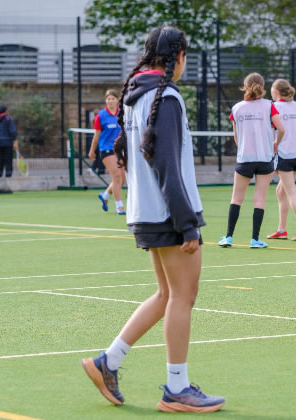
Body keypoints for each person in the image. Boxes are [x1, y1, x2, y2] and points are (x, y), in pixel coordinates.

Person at [81, 26, 225, 413]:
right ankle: (176, 388)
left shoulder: (135, 94)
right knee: (182, 297)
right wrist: (187, 222)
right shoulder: (167, 96)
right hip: (168, 213)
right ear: (178, 58)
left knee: (166, 295)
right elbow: (166, 164)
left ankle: (107, 361)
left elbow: (132, 154)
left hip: (145, 210)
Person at [218, 72, 285, 249]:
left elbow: (236, 136)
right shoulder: (269, 106)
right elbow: (281, 128)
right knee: (259, 199)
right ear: (262, 86)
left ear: (245, 87)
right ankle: (255, 239)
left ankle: (229, 237)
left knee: (236, 198)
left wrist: (243, 147)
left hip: (244, 159)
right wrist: (275, 142)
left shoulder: (237, 108)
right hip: (264, 159)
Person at [266, 79, 296, 241]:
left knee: (291, 192)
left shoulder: (274, 107)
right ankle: (282, 230)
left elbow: (272, 130)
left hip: (284, 154)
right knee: (281, 191)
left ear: (276, 92)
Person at [89, 90, 127, 214]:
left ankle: (105, 195)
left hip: (119, 149)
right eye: (108, 99)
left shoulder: (122, 113)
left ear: (117, 100)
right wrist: (92, 151)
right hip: (106, 149)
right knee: (116, 175)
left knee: (122, 180)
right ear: (106, 100)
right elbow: (96, 136)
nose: (110, 101)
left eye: (113, 98)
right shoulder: (100, 116)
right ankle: (119, 206)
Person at [0, 105, 18, 178]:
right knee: (8, 160)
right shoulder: (8, 119)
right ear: (6, 111)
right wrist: (15, 141)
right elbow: (12, 131)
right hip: (7, 143)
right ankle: (8, 176)